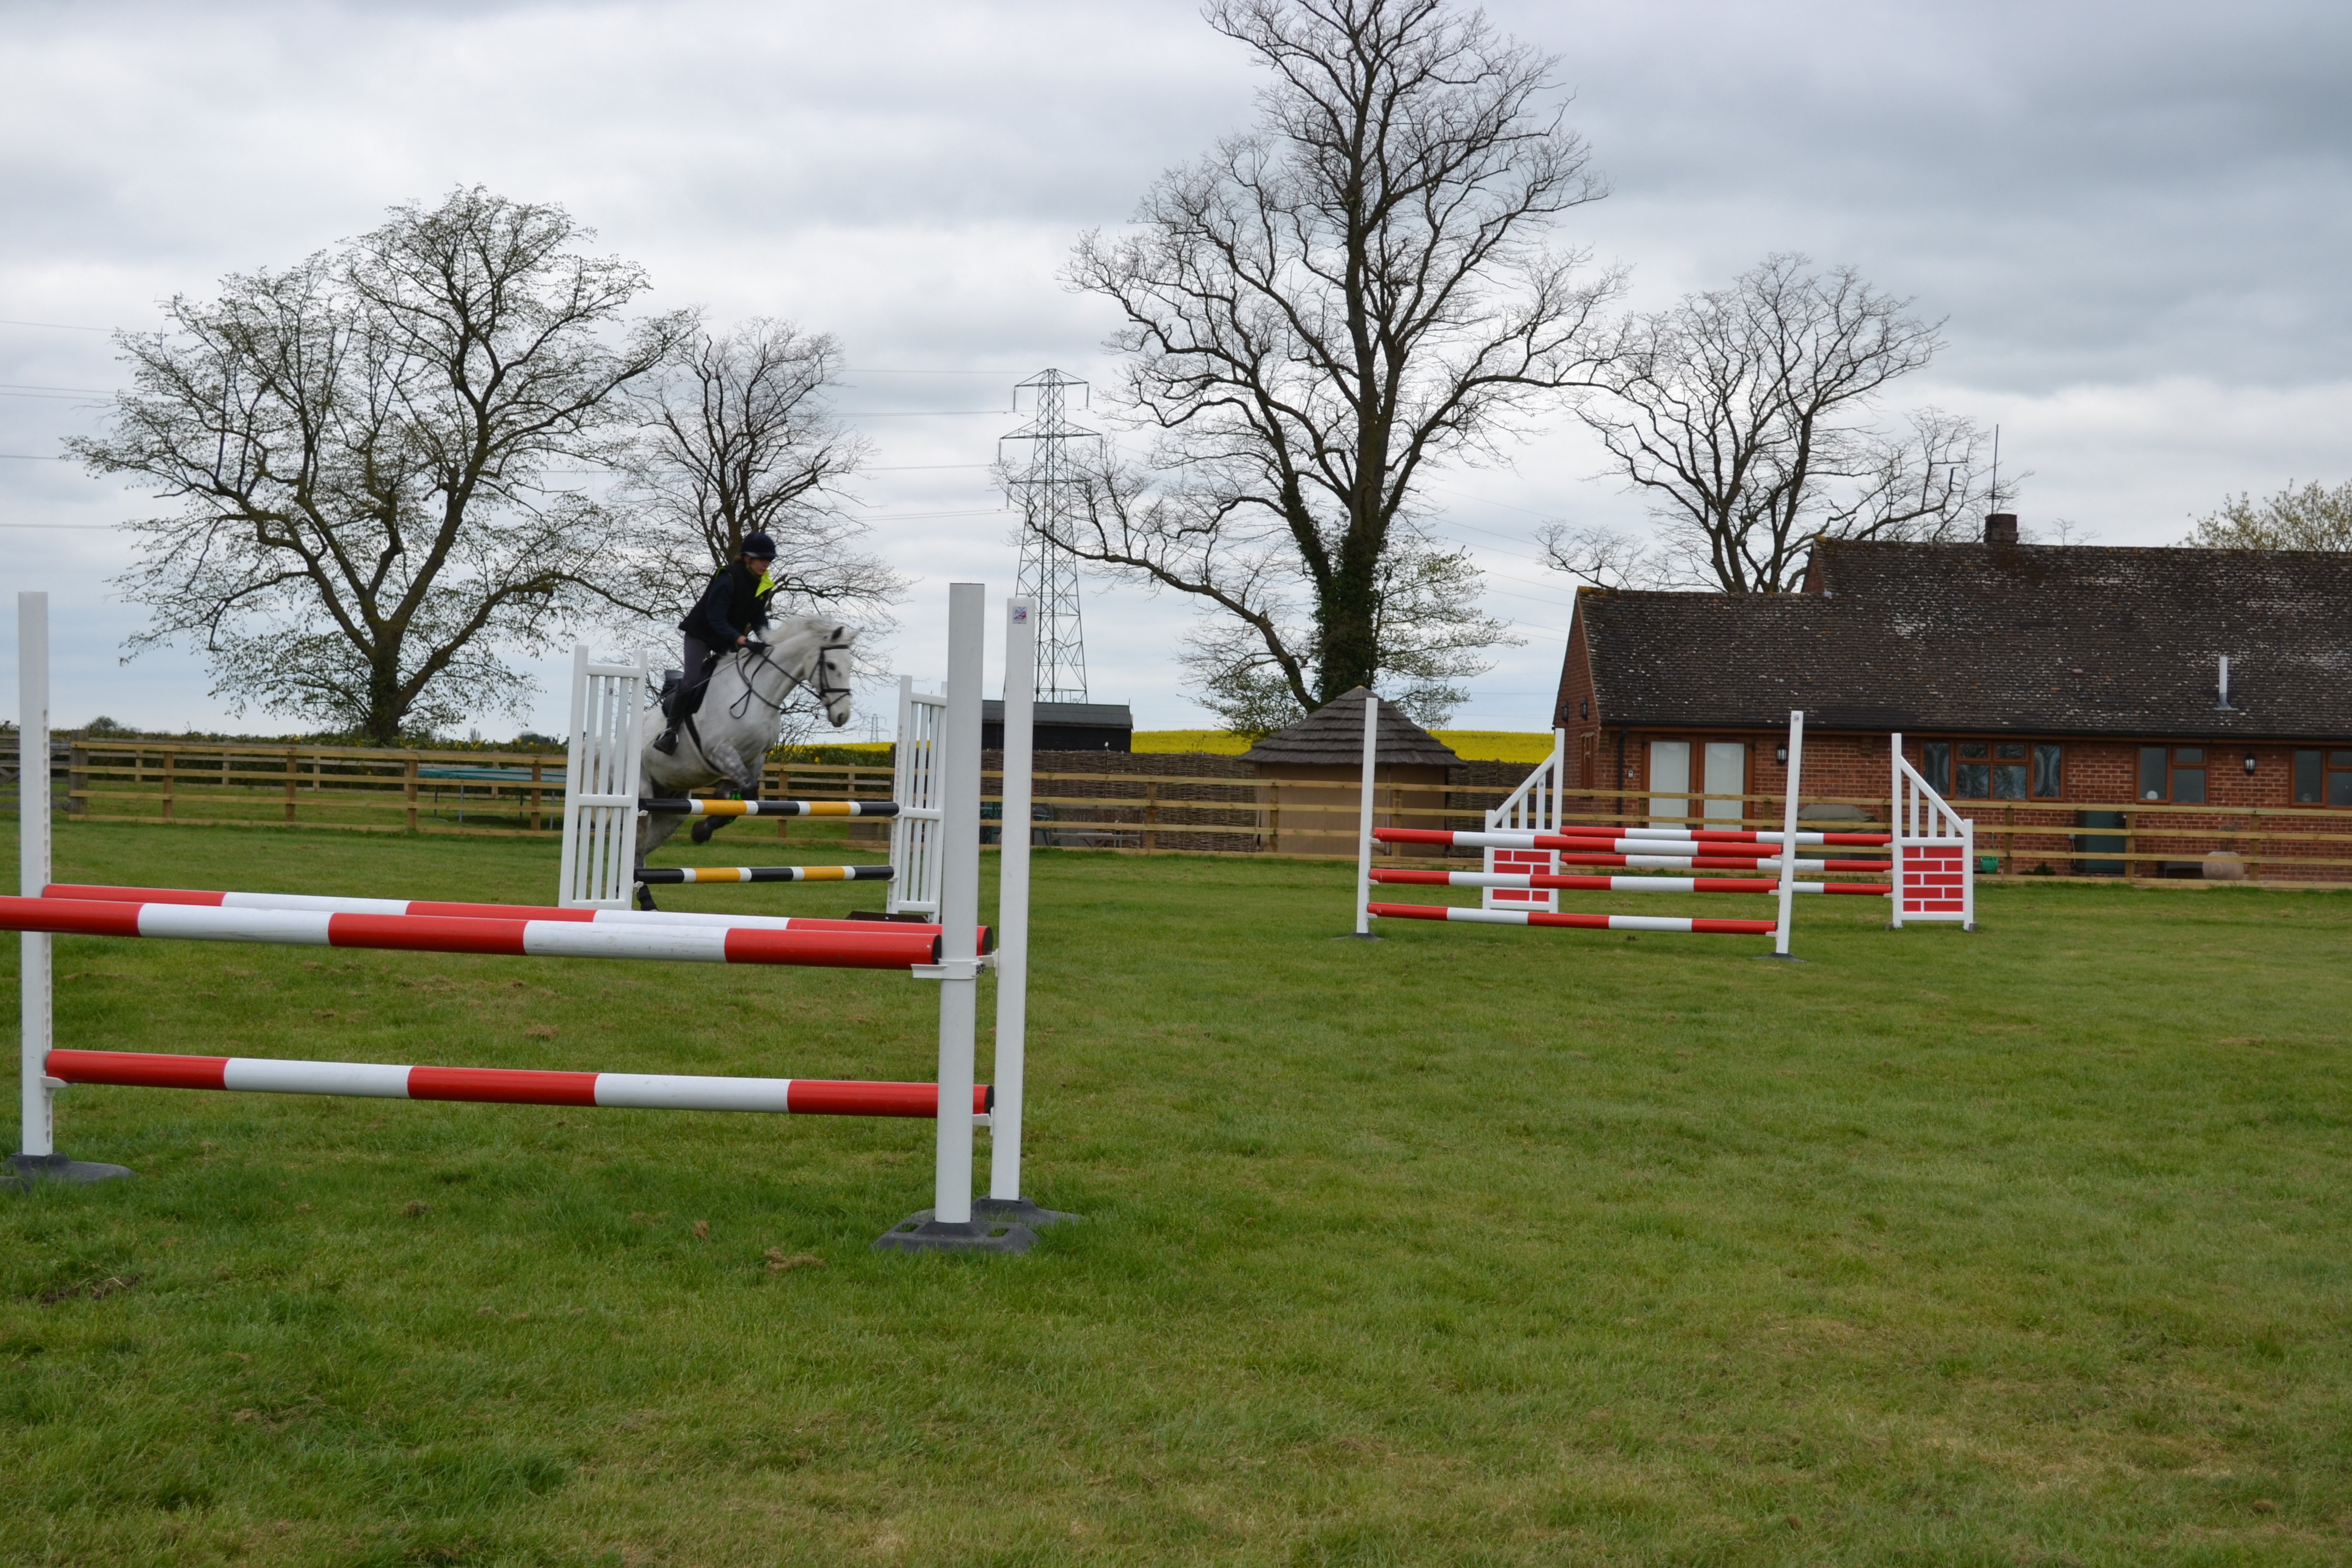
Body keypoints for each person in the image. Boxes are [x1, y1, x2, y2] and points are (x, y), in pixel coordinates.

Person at [653, 533, 778, 754]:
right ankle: (670, 731)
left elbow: (759, 619)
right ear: (748, 558)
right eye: (762, 559)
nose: (766, 564)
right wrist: (742, 640)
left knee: (737, 678)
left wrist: (771, 642)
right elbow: (715, 618)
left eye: (769, 560)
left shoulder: (763, 584)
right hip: (702, 634)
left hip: (727, 638)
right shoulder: (727, 577)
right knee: (691, 680)